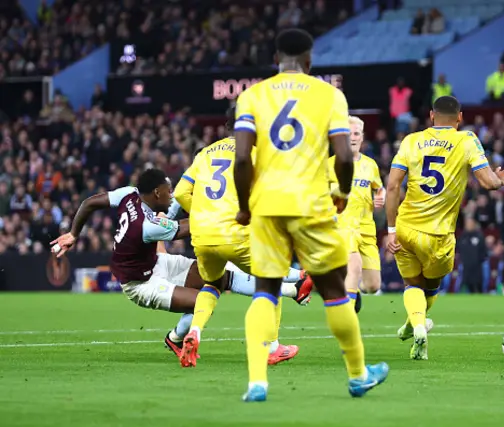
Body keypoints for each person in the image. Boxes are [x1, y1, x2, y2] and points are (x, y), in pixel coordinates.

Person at [233, 28, 388, 402]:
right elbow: (346, 156)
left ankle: (257, 382)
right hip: (312, 203)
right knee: (334, 291)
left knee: (265, 292)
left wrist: (242, 205)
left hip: (267, 206)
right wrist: (342, 193)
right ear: (309, 60)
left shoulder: (251, 96)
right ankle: (357, 375)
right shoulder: (329, 96)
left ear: (275, 59)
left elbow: (241, 158)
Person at [50, 168, 310, 361]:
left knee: (218, 276)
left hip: (157, 263)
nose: (172, 194)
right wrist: (221, 215)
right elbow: (185, 229)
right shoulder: (147, 225)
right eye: (168, 190)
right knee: (204, 302)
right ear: (157, 193)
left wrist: (74, 233)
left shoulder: (129, 194)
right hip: (141, 284)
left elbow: (90, 202)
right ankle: (175, 338)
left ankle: (292, 288)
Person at [174, 106, 312, 368]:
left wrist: (203, 214)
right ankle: (272, 347)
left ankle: (195, 332)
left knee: (213, 285)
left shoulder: (204, 153)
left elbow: (181, 193)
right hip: (236, 234)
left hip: (203, 236)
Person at [386, 95, 504, 360]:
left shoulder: (411, 141)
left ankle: (415, 324)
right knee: (431, 286)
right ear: (459, 118)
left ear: (431, 116)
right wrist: (501, 181)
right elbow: (488, 182)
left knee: (412, 284)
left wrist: (390, 230)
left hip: (405, 227)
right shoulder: (466, 140)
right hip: (437, 234)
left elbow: (392, 187)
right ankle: (418, 324)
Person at [328, 115, 385, 311]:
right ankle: (345, 318)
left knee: (372, 285)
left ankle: (351, 291)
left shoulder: (370, 165)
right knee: (354, 265)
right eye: (348, 134)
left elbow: (380, 188)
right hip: (342, 225)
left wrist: (381, 196)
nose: (352, 137)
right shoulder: (329, 165)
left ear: (362, 137)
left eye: (356, 133)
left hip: (367, 228)